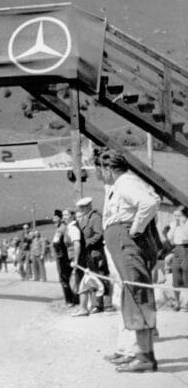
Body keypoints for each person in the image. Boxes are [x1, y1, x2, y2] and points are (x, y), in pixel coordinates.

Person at [100, 151, 160, 372]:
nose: (101, 175)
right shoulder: (122, 184)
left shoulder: (125, 183)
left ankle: (145, 356)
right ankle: (139, 352)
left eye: (101, 170)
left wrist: (136, 228)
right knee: (131, 294)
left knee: (138, 295)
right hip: (122, 243)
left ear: (108, 168)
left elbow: (149, 203)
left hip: (128, 243)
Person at [77, 197, 110, 313]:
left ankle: (100, 304)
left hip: (96, 252)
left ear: (87, 207)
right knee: (92, 278)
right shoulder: (86, 219)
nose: (81, 210)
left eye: (82, 208)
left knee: (99, 277)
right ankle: (95, 303)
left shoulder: (95, 218)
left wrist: (87, 242)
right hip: (89, 253)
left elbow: (99, 234)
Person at [52, 210, 78, 306]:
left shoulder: (62, 227)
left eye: (55, 218)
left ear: (60, 218)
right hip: (65, 256)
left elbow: (56, 240)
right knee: (67, 278)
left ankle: (70, 300)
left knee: (64, 278)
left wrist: (57, 249)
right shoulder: (62, 226)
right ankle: (72, 299)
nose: (53, 220)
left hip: (64, 257)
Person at [165, 206, 188, 311]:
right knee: (176, 274)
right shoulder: (174, 224)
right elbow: (169, 239)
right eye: (175, 216)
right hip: (177, 249)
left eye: (179, 216)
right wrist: (175, 226)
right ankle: (177, 302)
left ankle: (186, 303)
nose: (177, 218)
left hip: (186, 248)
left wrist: (182, 225)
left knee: (186, 273)